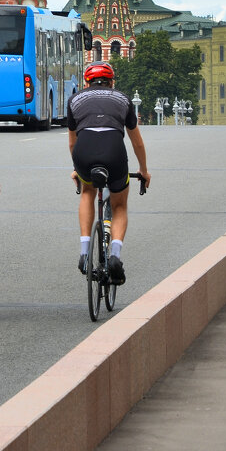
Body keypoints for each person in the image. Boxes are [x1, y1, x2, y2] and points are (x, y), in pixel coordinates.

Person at [66, 61, 150, 286]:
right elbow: (137, 143)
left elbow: (73, 143)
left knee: (87, 192)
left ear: (87, 82)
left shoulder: (74, 100)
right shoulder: (122, 99)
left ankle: (84, 252)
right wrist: (143, 170)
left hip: (84, 153)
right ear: (112, 82)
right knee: (119, 205)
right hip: (114, 152)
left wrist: (78, 168)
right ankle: (114, 256)